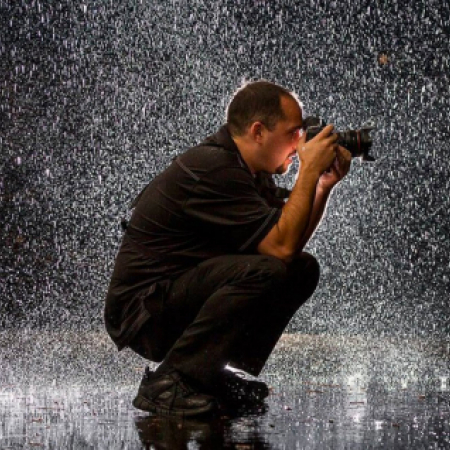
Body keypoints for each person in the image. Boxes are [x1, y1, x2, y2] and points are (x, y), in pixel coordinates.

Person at [103, 80, 352, 417]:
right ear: (258, 131)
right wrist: (308, 169)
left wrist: (321, 186)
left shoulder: (247, 171)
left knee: (301, 268)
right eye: (295, 132)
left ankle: (207, 375)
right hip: (144, 315)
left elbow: (288, 243)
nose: (302, 142)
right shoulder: (215, 168)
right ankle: (168, 384)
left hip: (169, 301)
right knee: (266, 270)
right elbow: (279, 248)